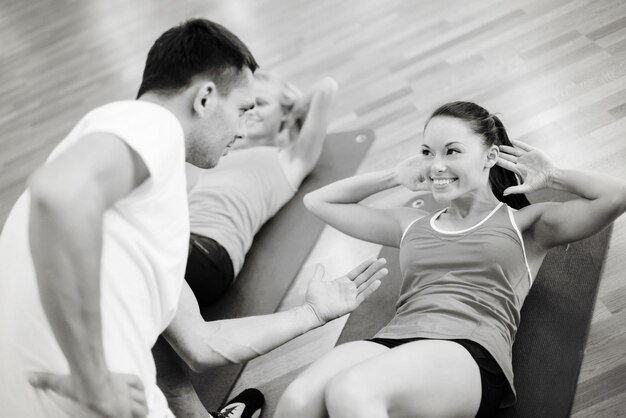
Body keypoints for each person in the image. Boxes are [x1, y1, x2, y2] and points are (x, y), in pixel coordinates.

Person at [0, 18, 388, 418]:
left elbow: (202, 343)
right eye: (241, 109)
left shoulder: (139, 205)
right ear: (204, 99)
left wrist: (311, 313)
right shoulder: (149, 125)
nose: (241, 128)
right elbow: (58, 194)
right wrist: (92, 378)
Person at [274, 101, 626, 418]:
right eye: (427, 152)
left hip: (467, 349)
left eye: (452, 151)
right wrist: (394, 176)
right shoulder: (409, 224)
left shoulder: (525, 225)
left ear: (489, 156)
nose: (436, 165)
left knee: (352, 391)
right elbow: (318, 202)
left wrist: (552, 176)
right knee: (297, 401)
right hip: (391, 341)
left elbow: (615, 197)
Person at [184, 71, 338, 305]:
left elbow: (326, 87)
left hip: (207, 252)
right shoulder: (215, 155)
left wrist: (290, 111)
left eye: (261, 104)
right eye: (246, 108)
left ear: (286, 114)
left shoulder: (290, 160)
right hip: (175, 241)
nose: (252, 112)